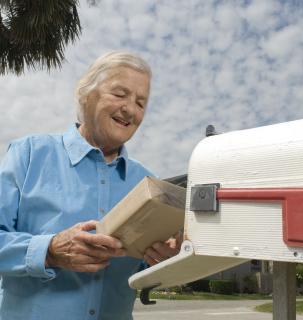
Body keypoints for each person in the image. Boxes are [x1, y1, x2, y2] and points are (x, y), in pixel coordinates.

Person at [0, 51, 181, 320]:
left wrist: (165, 258)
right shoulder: (28, 154)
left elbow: (146, 270)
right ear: (86, 93)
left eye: (141, 103)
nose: (130, 109)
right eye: (120, 94)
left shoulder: (149, 185)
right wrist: (49, 251)